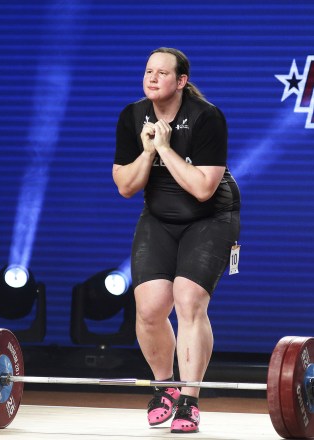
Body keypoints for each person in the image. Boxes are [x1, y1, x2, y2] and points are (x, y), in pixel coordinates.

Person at [112, 47, 241, 434]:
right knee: (150, 308)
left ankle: (189, 400)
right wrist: (148, 150)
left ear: (181, 81)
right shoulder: (133, 116)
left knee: (188, 299)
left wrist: (165, 148)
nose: (152, 78)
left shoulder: (207, 117)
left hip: (211, 217)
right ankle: (165, 386)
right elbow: (125, 186)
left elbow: (203, 189)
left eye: (162, 73)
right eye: (148, 71)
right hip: (159, 218)